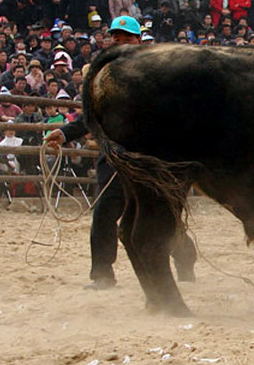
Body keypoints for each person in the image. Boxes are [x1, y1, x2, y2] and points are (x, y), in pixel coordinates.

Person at [43, 15, 196, 290]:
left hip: (150, 158)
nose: (121, 42)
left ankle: (185, 258)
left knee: (162, 214)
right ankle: (102, 275)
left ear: (139, 41)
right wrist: (65, 133)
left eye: (127, 38)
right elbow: (92, 116)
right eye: (116, 37)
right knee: (104, 212)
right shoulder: (101, 77)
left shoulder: (158, 74)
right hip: (114, 157)